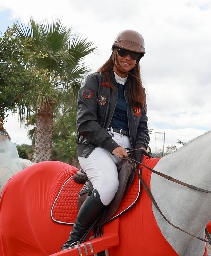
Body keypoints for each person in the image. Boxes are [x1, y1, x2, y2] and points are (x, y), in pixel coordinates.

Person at [61, 29, 150, 250]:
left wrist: (141, 147)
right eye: (123, 52)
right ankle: (73, 239)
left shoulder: (138, 90)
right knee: (109, 186)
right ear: (114, 51)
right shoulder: (95, 81)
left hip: (129, 151)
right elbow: (86, 124)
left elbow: (143, 127)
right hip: (96, 147)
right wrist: (112, 146)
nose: (128, 58)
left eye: (134, 55)